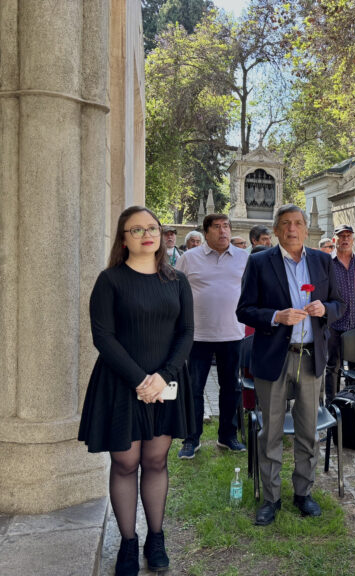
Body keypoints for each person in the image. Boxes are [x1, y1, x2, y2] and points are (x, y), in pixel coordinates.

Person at [78, 206, 194, 575]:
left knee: (156, 461)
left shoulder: (177, 281)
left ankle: (155, 538)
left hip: (167, 383)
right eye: (137, 229)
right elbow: (103, 336)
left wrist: (162, 376)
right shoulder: (110, 280)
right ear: (123, 238)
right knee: (126, 463)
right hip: (121, 383)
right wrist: (140, 381)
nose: (147, 234)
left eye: (153, 228)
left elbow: (186, 333)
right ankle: (128, 542)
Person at [236, 204, 344, 526]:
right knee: (270, 431)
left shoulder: (323, 260)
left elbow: (340, 304)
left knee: (307, 431)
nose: (292, 229)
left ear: (306, 227)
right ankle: (270, 499)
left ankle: (303, 493)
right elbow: (244, 310)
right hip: (273, 358)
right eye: (285, 223)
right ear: (277, 229)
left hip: (311, 358)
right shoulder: (259, 262)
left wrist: (325, 309)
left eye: (298, 223)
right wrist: (275, 316)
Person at [176, 213, 249, 459]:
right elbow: (176, 291)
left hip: (232, 333)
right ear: (206, 232)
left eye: (226, 226)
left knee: (231, 388)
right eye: (217, 227)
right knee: (194, 389)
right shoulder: (189, 258)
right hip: (198, 336)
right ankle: (191, 438)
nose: (223, 231)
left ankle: (228, 436)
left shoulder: (244, 258)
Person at [324, 224, 355, 404]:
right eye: (341, 236)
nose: (345, 239)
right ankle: (332, 405)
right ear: (335, 240)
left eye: (348, 236)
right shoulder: (327, 263)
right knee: (333, 366)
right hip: (334, 323)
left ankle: (352, 405)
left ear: (353, 239)